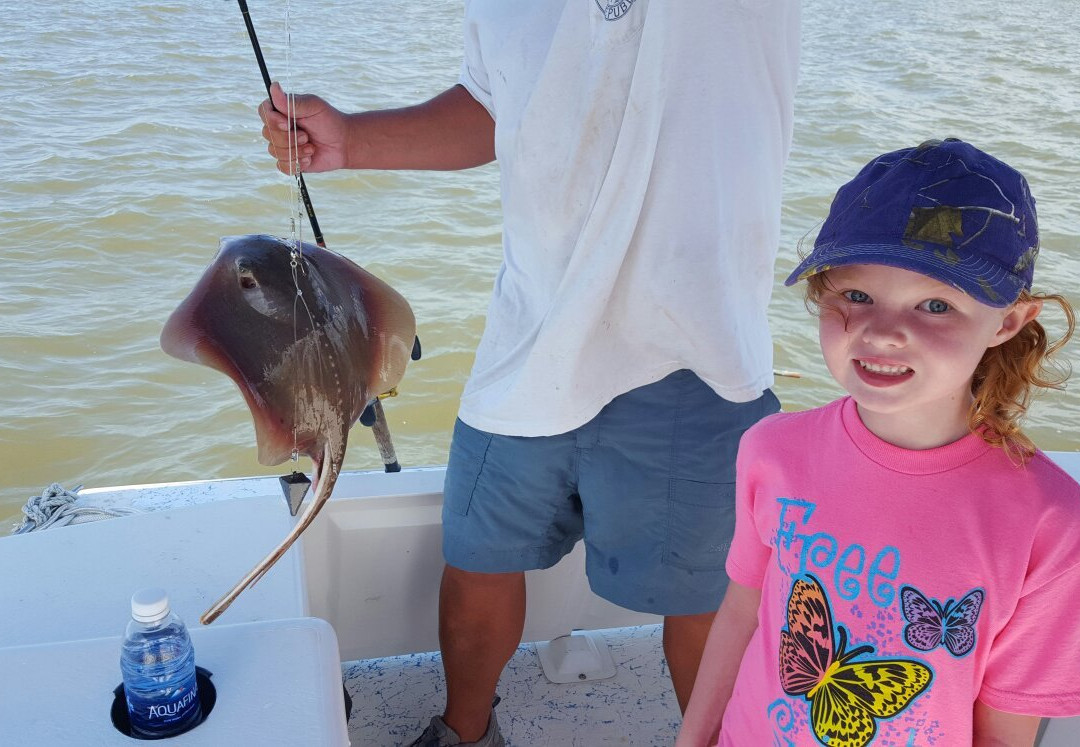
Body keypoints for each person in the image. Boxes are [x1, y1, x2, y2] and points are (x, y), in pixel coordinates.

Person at [260, 2, 800, 744]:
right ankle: (464, 731)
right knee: (477, 559)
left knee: (708, 600)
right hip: (533, 337)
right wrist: (352, 139)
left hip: (694, 346)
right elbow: (495, 103)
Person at [677, 138, 1080, 747]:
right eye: (857, 296)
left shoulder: (1051, 525)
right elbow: (742, 614)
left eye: (936, 305)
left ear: (1007, 323)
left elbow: (1004, 728)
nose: (884, 332)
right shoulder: (771, 450)